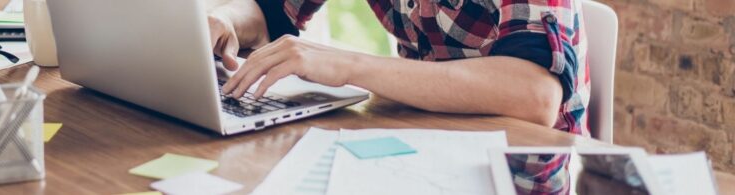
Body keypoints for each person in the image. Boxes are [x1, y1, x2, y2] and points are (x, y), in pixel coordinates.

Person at [208, 0, 589, 137]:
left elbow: (536, 95)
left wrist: (350, 64)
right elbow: (272, 11)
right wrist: (225, 19)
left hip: (525, 164)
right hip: (421, 140)